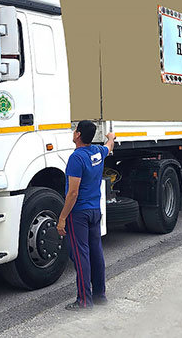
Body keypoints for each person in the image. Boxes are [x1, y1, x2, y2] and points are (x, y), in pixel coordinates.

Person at [57, 120, 116, 310]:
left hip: (79, 213)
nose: (73, 132)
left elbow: (73, 193)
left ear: (78, 135)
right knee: (96, 252)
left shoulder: (76, 158)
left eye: (75, 130)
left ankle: (84, 300)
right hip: (94, 211)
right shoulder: (98, 152)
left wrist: (62, 218)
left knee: (81, 254)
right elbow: (109, 146)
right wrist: (111, 137)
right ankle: (99, 295)